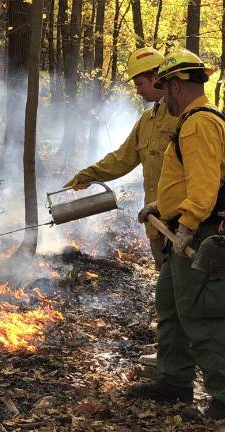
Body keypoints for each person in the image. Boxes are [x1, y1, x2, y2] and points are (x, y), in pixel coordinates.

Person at [133, 48, 225, 420]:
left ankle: (223, 396)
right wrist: (163, 207)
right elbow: (194, 181)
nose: (162, 95)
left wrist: (185, 226)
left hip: (198, 234)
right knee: (170, 306)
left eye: (164, 86)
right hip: (184, 227)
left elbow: (204, 188)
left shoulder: (198, 123)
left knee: (200, 315)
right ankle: (174, 381)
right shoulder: (193, 121)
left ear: (175, 85)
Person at [65, 47, 178, 270]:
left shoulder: (185, 117)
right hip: (156, 225)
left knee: (188, 294)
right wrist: (89, 174)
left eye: (139, 84)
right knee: (167, 291)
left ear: (156, 79)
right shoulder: (147, 120)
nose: (137, 91)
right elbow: (122, 158)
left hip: (183, 225)